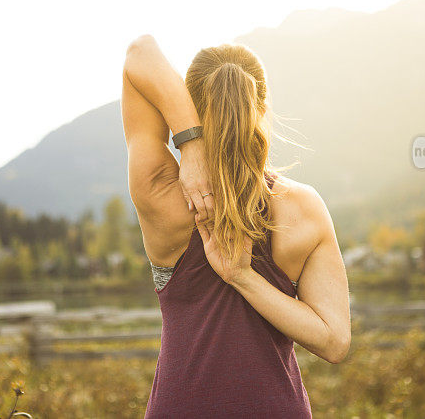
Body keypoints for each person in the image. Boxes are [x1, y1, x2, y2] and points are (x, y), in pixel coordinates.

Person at [121, 34, 351, 418]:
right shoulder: (302, 207)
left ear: (187, 106)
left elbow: (139, 53)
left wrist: (189, 146)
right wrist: (245, 279)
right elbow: (333, 342)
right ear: (262, 107)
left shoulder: (161, 192)